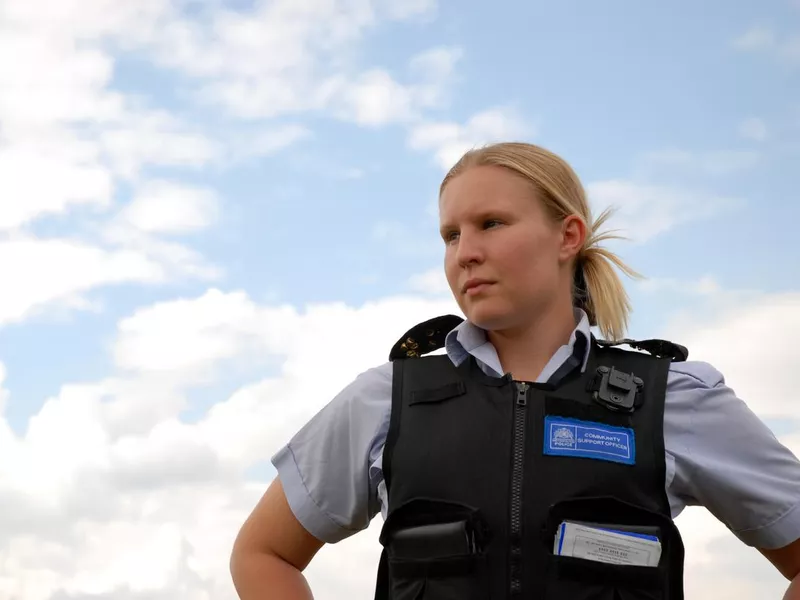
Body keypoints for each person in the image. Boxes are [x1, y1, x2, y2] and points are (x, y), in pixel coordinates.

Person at [228, 142, 800, 600]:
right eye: (451, 235)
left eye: (491, 224)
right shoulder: (384, 400)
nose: (464, 252)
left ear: (567, 236)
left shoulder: (673, 398)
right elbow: (262, 556)